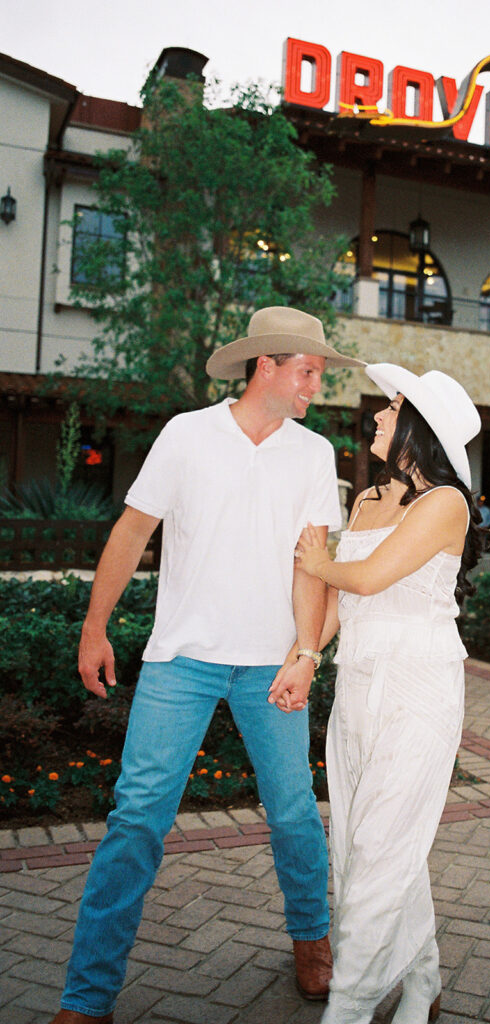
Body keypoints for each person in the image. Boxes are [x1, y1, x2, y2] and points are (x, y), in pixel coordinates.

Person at [50, 306, 364, 1024]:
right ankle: (87, 997)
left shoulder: (314, 453)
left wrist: (305, 654)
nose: (316, 385)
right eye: (308, 371)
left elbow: (313, 564)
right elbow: (133, 530)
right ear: (266, 366)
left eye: (319, 373)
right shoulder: (187, 434)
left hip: (270, 666)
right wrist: (94, 628)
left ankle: (311, 941)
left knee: (294, 813)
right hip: (181, 660)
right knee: (136, 819)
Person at [291, 363, 483, 1024]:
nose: (377, 414)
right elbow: (345, 601)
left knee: (379, 854)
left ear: (419, 428)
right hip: (358, 686)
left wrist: (317, 562)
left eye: (393, 406)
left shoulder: (446, 503)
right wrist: (304, 657)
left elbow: (368, 576)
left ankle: (347, 1008)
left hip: (419, 690)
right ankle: (423, 979)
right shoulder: (369, 499)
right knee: (365, 847)